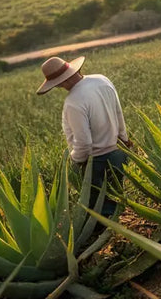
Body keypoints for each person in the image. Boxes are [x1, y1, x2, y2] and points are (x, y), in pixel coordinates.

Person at [36, 55, 130, 218]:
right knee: (117, 199)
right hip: (119, 153)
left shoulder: (73, 102)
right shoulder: (102, 80)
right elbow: (118, 112)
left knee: (101, 212)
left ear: (60, 82)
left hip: (97, 162)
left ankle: (110, 235)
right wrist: (125, 139)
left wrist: (75, 162)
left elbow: (84, 143)